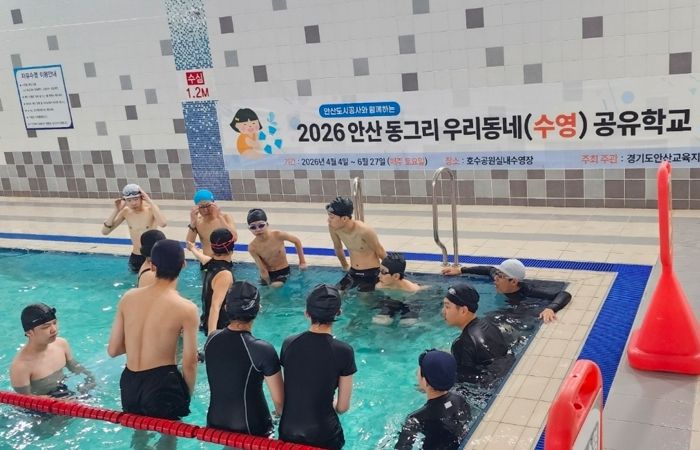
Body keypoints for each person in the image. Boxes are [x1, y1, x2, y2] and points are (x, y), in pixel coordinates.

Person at [107, 239, 199, 422]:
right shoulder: (186, 308)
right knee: (169, 433)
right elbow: (190, 362)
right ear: (183, 264)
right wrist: (186, 395)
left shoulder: (128, 298)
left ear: (152, 266)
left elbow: (113, 350)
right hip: (163, 383)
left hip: (130, 382)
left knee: (138, 433)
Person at [279, 284, 357, 449]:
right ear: (338, 313)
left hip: (288, 431)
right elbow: (342, 407)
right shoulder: (344, 351)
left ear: (307, 313)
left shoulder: (289, 343)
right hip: (324, 435)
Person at [204, 281, 284, 436]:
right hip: (252, 428)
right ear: (258, 309)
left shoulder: (211, 339)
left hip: (214, 423)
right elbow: (280, 403)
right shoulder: (263, 350)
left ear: (226, 308)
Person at [442, 259, 572, 323]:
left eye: (500, 276)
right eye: (497, 274)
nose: (495, 278)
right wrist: (461, 270)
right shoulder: (501, 279)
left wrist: (551, 308)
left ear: (513, 282)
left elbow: (564, 294)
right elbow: (489, 270)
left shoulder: (528, 291)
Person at [10, 303, 95, 398]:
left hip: (64, 392)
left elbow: (76, 368)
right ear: (29, 332)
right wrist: (55, 402)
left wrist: (90, 380)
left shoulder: (61, 344)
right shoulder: (21, 367)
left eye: (54, 323)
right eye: (46, 327)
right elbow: (24, 400)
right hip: (42, 405)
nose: (54, 330)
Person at [394, 350, 471, 450]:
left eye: (419, 371)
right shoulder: (460, 400)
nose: (417, 373)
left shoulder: (416, 418)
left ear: (425, 381)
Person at [442, 283, 513, 384]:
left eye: (447, 307)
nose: (443, 311)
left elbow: (462, 382)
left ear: (463, 311)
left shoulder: (462, 344)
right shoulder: (490, 325)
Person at [101, 184, 167, 273]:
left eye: (136, 199)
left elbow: (163, 223)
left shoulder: (151, 210)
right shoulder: (126, 212)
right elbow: (105, 231)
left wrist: (150, 201)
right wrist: (116, 210)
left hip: (152, 257)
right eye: (129, 200)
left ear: (142, 197)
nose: (133, 203)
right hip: (136, 257)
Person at [327, 197, 387, 292]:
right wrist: (345, 266)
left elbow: (380, 251)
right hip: (353, 272)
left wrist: (392, 272)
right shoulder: (333, 228)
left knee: (363, 298)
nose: (328, 220)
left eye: (332, 217)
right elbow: (338, 248)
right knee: (334, 294)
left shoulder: (364, 230)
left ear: (344, 218)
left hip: (371, 273)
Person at [186, 228, 235, 336]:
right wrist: (211, 336)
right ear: (232, 248)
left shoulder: (210, 263)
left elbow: (202, 257)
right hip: (220, 328)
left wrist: (193, 248)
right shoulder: (225, 275)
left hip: (205, 321)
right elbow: (215, 307)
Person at [247, 208, 307, 287]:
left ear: (267, 224)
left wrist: (302, 262)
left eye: (261, 225)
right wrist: (267, 283)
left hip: (283, 272)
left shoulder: (278, 235)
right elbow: (262, 269)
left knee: (274, 287)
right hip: (267, 274)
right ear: (249, 229)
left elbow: (296, 241)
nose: (258, 229)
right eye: (253, 227)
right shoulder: (252, 247)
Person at [373, 253, 423, 326]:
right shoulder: (380, 286)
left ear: (396, 276)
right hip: (391, 302)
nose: (379, 275)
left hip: (409, 303)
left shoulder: (412, 289)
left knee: (408, 323)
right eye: (379, 271)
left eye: (383, 272)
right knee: (379, 321)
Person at [186, 189, 237, 258]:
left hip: (224, 262)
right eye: (201, 207)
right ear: (196, 208)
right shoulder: (198, 222)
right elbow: (189, 245)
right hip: (207, 262)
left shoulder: (225, 217)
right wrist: (192, 223)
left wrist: (219, 217)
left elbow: (234, 238)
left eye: (208, 205)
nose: (205, 210)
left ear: (214, 204)